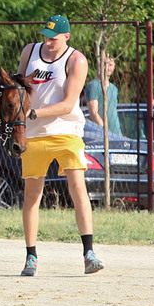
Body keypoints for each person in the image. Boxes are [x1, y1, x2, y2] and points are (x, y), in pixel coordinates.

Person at [17, 15, 104, 276]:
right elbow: (20, 87)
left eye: (53, 38)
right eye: (45, 35)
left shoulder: (76, 60)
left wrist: (32, 114)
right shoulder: (30, 51)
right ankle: (31, 257)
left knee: (78, 189)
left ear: (67, 37)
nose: (48, 41)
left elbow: (68, 104)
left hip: (66, 131)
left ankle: (89, 253)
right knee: (32, 195)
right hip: (33, 135)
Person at [85, 56, 122, 135]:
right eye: (105, 64)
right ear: (100, 65)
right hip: (102, 134)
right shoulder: (93, 85)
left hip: (117, 133)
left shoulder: (114, 88)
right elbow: (93, 112)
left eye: (111, 65)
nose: (108, 67)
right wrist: (105, 131)